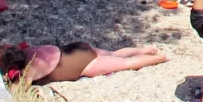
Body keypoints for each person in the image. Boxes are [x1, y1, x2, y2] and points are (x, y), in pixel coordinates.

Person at [15, 42, 169, 85]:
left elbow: (21, 88)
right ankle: (146, 49)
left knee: (124, 63)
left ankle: (160, 57)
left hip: (79, 65)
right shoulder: (32, 49)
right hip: (76, 48)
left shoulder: (32, 68)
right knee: (113, 54)